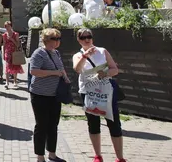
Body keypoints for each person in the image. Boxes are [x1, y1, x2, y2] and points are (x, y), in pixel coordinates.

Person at [72, 28, 126, 162]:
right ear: (78, 40)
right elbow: (77, 69)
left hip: (106, 91)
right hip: (88, 92)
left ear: (92, 37)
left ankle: (120, 157)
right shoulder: (77, 55)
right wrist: (85, 56)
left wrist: (106, 73)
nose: (86, 39)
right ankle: (98, 155)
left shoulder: (102, 51)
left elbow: (115, 69)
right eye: (83, 37)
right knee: (93, 123)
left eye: (88, 36)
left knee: (114, 123)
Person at [29, 28, 69, 162]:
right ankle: (40, 157)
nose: (58, 42)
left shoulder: (56, 53)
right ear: (47, 40)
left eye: (59, 39)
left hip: (54, 95)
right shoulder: (39, 53)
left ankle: (52, 153)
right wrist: (53, 73)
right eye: (55, 39)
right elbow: (34, 71)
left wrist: (65, 77)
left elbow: (61, 68)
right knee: (41, 125)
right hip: (40, 95)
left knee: (53, 125)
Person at [2, 21, 24, 89]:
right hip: (7, 52)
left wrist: (12, 39)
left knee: (15, 66)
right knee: (7, 66)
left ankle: (15, 81)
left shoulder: (15, 34)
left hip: (14, 52)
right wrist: (3, 53)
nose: (7, 28)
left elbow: (18, 44)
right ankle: (7, 82)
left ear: (11, 26)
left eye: (8, 26)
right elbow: (4, 45)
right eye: (6, 26)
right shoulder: (4, 35)